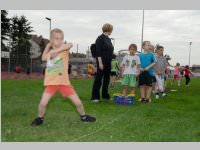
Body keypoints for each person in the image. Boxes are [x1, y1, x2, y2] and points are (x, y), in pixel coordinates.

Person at [31, 28, 96, 126]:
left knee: (78, 103)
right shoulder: (50, 53)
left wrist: (57, 50)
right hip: (51, 84)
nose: (60, 40)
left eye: (61, 38)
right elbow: (43, 58)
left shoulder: (64, 50)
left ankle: (84, 117)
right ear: (51, 40)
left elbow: (70, 45)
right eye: (57, 38)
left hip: (64, 83)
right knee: (43, 103)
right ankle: (40, 118)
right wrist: (48, 47)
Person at [91, 23, 114, 103]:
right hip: (102, 62)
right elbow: (98, 52)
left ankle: (105, 95)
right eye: (111, 29)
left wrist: (111, 62)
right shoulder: (100, 38)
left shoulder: (109, 39)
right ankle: (95, 97)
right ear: (109, 29)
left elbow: (110, 52)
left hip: (108, 62)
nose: (112, 31)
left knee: (107, 80)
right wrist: (100, 63)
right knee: (98, 79)